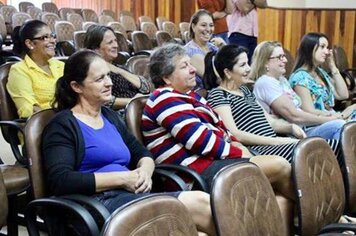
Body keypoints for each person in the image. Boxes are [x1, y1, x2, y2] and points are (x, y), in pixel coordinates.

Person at [43, 50, 216, 236]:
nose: (109, 83)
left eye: (108, 75)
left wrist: (145, 173)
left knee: (203, 203)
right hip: (97, 204)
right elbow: (61, 180)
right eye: (99, 79)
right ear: (77, 87)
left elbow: (143, 153)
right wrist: (124, 178)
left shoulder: (109, 116)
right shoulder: (62, 125)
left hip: (132, 194)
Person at [142, 43, 295, 233]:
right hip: (194, 173)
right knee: (279, 165)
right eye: (184, 66)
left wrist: (238, 147)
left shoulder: (191, 96)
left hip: (214, 163)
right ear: (166, 77)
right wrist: (240, 152)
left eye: (190, 64)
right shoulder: (163, 98)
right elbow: (201, 141)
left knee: (281, 199)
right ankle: (320, 211)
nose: (192, 70)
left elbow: (223, 130)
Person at [251, 41, 345, 140]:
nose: (286, 60)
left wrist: (324, 113)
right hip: (293, 135)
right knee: (340, 126)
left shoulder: (281, 80)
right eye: (280, 57)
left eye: (284, 56)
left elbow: (299, 110)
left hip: (305, 127)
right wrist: (327, 120)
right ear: (266, 62)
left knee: (347, 124)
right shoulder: (265, 83)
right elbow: (294, 116)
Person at [290, 32, 356, 120]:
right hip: (316, 123)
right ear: (309, 49)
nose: (326, 51)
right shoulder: (299, 77)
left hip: (332, 118)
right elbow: (309, 111)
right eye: (322, 47)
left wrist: (333, 67)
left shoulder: (320, 72)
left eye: (327, 47)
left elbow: (343, 95)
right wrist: (339, 116)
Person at [84, 25, 151, 111]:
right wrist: (134, 101)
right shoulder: (92, 71)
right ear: (96, 48)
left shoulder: (119, 67)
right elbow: (101, 100)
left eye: (115, 41)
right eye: (110, 42)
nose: (116, 45)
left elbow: (146, 88)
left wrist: (120, 71)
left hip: (136, 109)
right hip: (117, 115)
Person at [7, 20, 64, 118]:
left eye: (52, 36)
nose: (53, 41)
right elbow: (29, 110)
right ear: (30, 44)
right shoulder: (19, 70)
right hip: (42, 127)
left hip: (69, 121)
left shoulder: (61, 65)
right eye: (45, 37)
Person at [184, 9, 225, 90]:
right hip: (204, 96)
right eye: (203, 25)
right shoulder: (191, 51)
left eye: (211, 25)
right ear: (193, 27)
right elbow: (215, 79)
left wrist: (224, 46)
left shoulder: (213, 47)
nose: (208, 29)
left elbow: (232, 64)